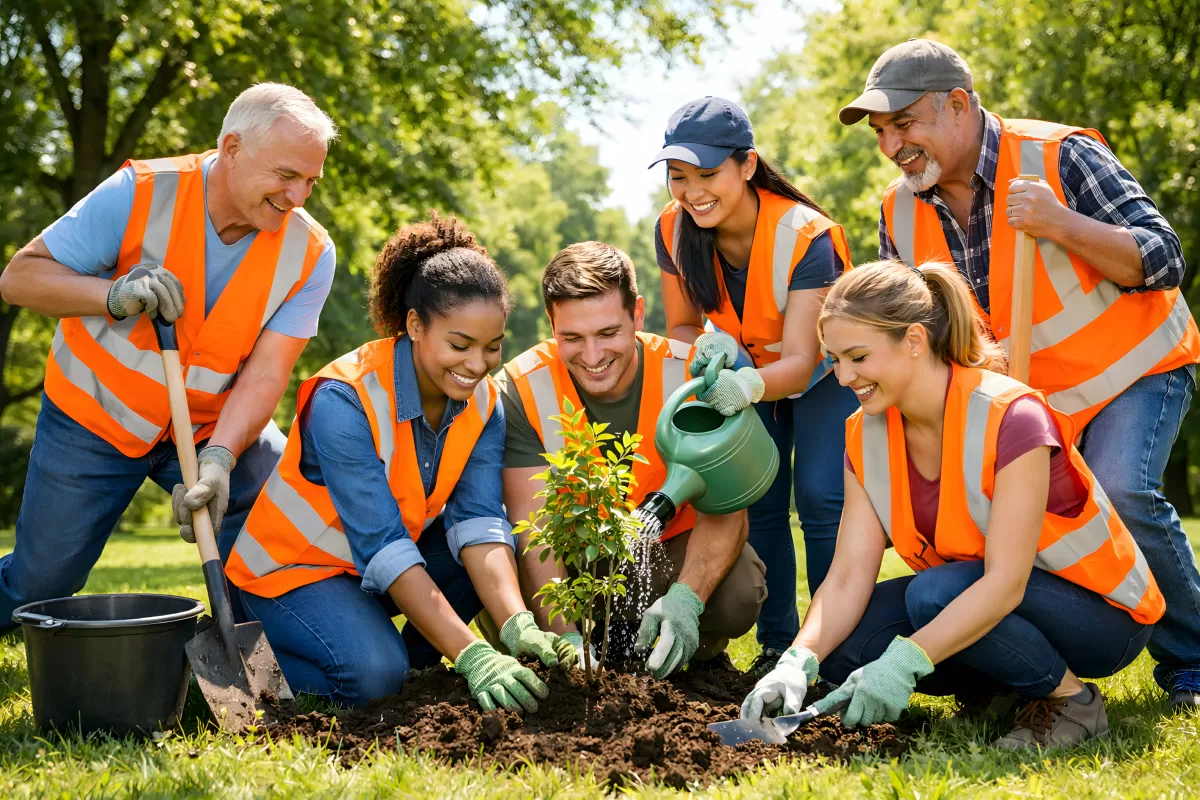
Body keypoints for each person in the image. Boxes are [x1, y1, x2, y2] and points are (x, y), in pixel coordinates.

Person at [840, 38, 1200, 708]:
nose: (892, 146)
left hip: (1133, 372)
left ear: (957, 105)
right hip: (1032, 407)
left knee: (1123, 487)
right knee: (1006, 536)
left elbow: (1164, 258)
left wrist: (1061, 223)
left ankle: (1192, 661)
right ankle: (1022, 672)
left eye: (904, 123)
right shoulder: (897, 210)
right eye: (882, 133)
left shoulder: (1059, 156)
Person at [740, 260, 1164, 748]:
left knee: (932, 596)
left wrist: (904, 662)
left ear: (915, 341)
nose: (843, 377)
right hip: (982, 596)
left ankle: (1071, 701)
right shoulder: (863, 432)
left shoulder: (1012, 416)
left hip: (1100, 615)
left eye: (857, 356)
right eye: (834, 359)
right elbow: (848, 576)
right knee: (842, 652)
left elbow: (1005, 583)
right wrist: (797, 661)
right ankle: (1004, 687)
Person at [0, 83, 339, 628]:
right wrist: (109, 295)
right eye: (285, 175)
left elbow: (268, 372)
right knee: (41, 584)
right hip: (94, 415)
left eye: (310, 181)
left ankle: (254, 632)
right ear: (232, 149)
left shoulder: (311, 253)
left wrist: (223, 458)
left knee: (284, 503)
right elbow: (18, 279)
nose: (298, 196)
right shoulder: (140, 191)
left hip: (206, 425)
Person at [225, 213, 571, 710]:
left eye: (492, 347)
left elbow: (478, 522)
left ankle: (406, 678)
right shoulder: (344, 399)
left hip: (371, 567)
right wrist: (474, 653)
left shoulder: (485, 401)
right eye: (460, 345)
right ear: (414, 325)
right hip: (291, 572)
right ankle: (269, 656)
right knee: (374, 678)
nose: (477, 365)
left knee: (481, 563)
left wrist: (516, 621)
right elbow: (382, 543)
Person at [650, 96, 858, 677]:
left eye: (708, 174)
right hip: (742, 368)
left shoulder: (806, 235)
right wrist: (707, 348)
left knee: (821, 500)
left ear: (747, 165)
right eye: (679, 177)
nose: (692, 193)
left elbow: (800, 359)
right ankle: (777, 645)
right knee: (758, 500)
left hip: (819, 375)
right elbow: (684, 325)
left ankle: (832, 647)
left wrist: (747, 386)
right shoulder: (672, 230)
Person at [494, 241, 766, 678]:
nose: (593, 356)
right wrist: (565, 637)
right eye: (572, 338)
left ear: (637, 315)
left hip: (666, 551)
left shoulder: (688, 376)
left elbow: (728, 513)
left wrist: (688, 598)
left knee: (738, 594)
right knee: (511, 597)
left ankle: (690, 652)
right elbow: (534, 527)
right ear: (551, 323)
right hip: (576, 556)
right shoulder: (522, 387)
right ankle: (574, 649)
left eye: (607, 333)